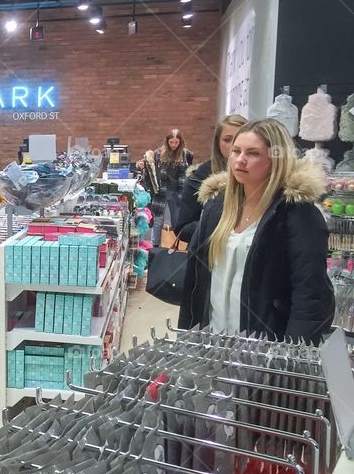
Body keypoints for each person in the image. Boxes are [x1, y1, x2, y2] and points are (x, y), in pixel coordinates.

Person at [179, 119, 334, 343]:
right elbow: (195, 283)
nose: (240, 160)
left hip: (265, 353)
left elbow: (310, 296)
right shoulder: (217, 208)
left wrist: (289, 358)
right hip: (211, 344)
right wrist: (186, 341)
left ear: (276, 160)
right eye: (236, 151)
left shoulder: (298, 215)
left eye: (253, 153)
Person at [174, 114, 248, 243]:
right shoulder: (199, 178)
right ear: (218, 143)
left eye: (240, 139)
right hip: (208, 257)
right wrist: (224, 222)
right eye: (227, 139)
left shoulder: (259, 176)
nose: (234, 146)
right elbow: (182, 230)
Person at [138, 129, 194, 246]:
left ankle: (179, 246)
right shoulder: (158, 153)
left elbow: (189, 173)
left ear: (180, 142)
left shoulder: (186, 155)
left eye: (176, 142)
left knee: (177, 220)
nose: (173, 145)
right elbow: (147, 164)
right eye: (171, 142)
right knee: (158, 221)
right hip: (161, 191)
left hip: (178, 192)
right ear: (167, 142)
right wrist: (140, 165)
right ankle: (155, 246)